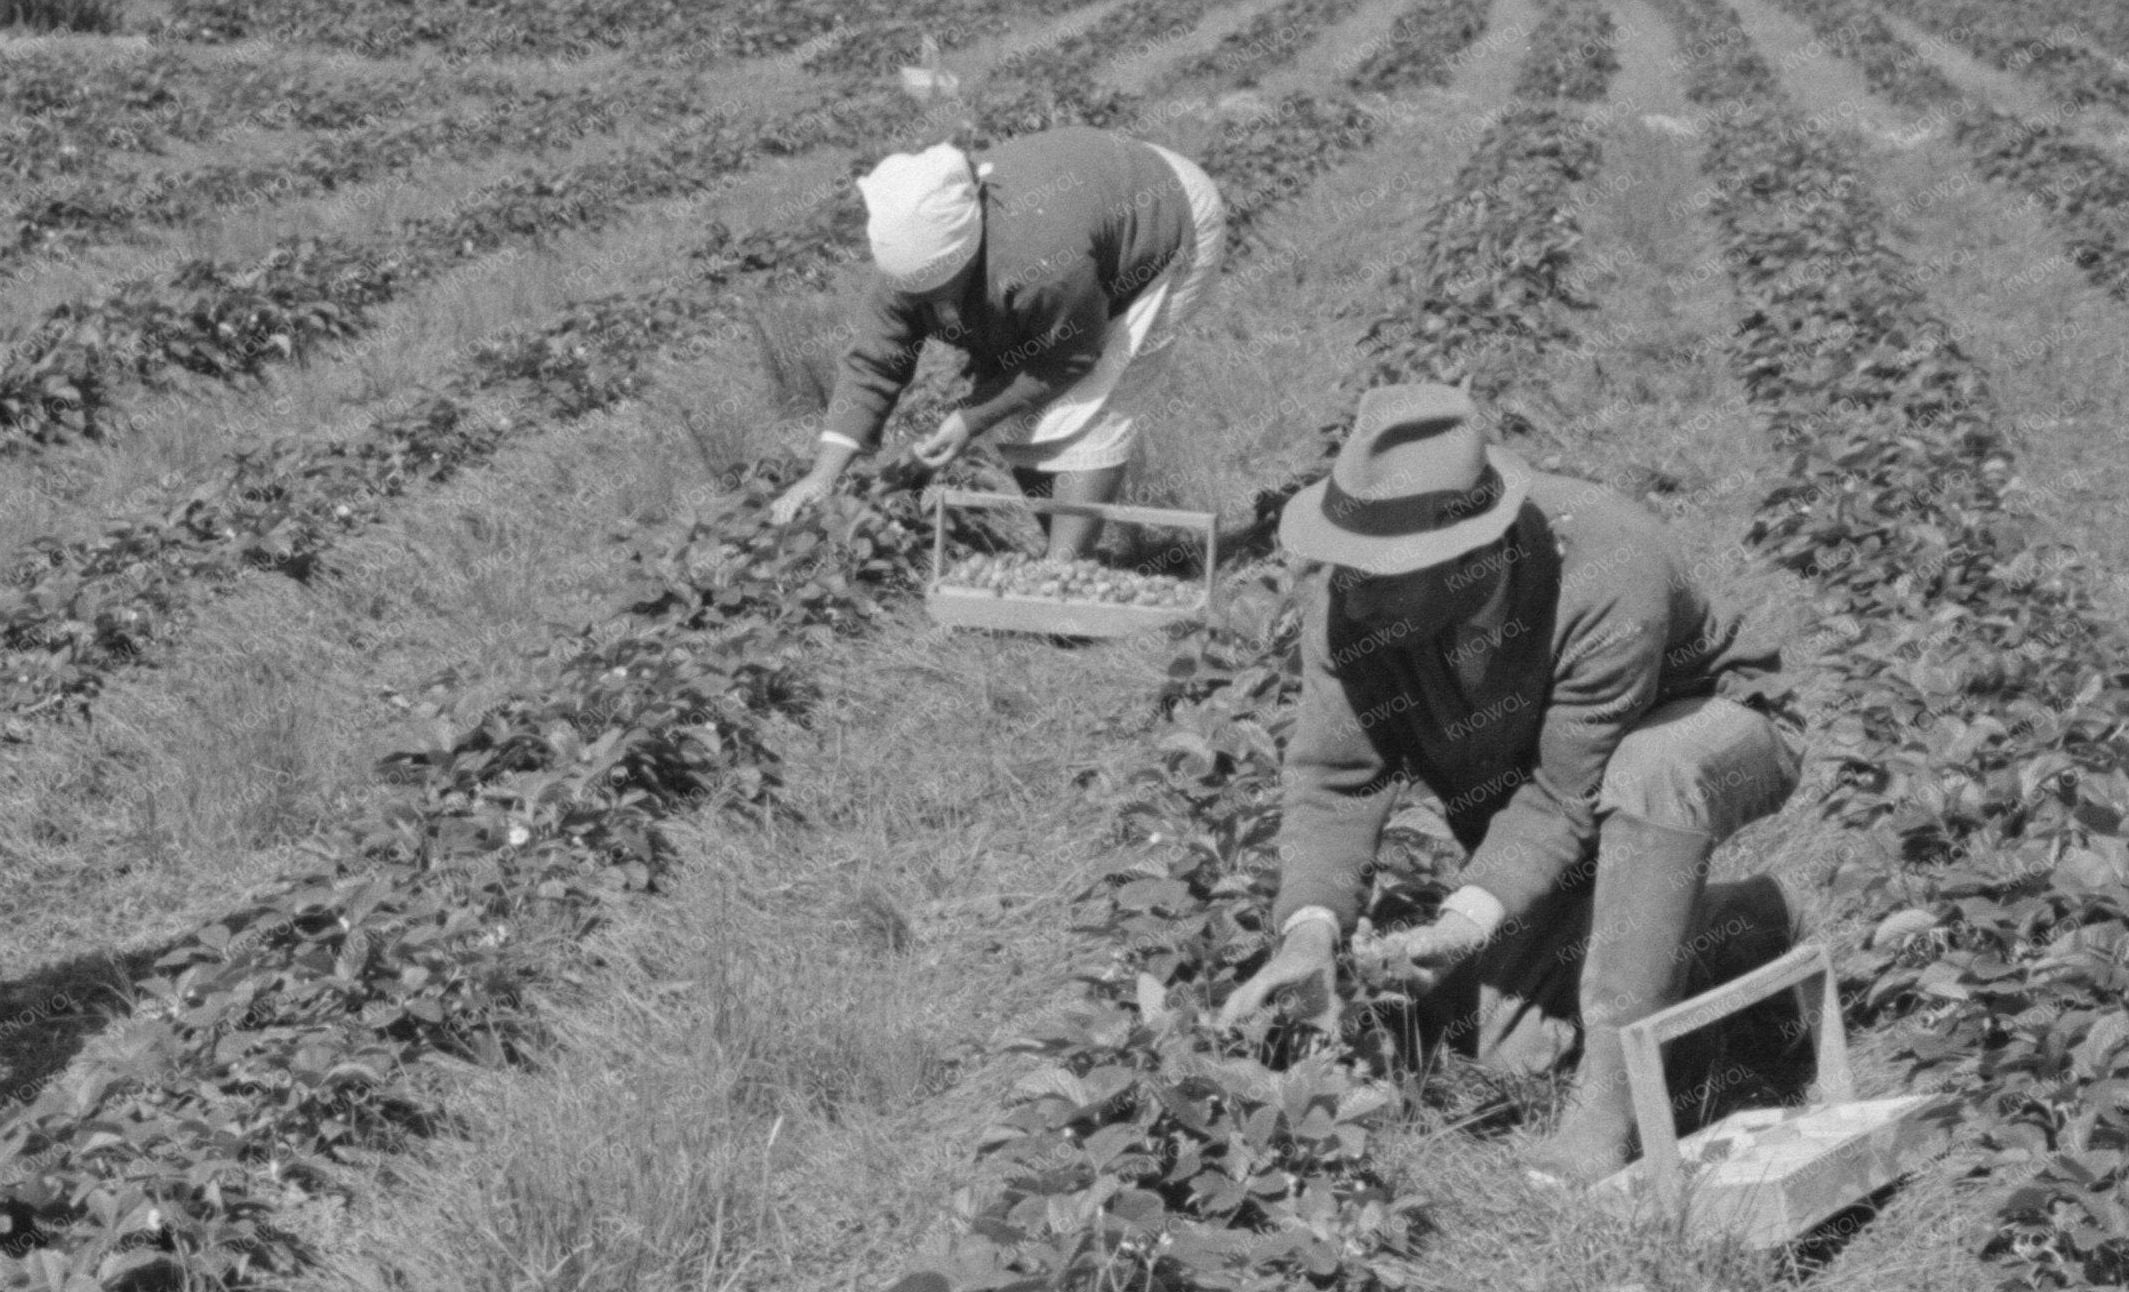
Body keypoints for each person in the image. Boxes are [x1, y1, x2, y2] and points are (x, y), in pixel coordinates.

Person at [1217, 381, 1802, 1183]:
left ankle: (1612, 1108)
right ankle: (1743, 922)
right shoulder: (1353, 602)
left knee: (1648, 772)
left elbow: (1568, 793)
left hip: (1704, 734)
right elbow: (1336, 777)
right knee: (1507, 1045)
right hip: (1548, 801)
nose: (1350, 591)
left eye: (1382, 574)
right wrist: (1310, 928)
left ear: (1470, 555)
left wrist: (1464, 921)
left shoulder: (1608, 564)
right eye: (1349, 564)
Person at [764, 123, 1229, 560]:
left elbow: (1070, 357)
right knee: (1018, 415)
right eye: (921, 296)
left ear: (973, 251)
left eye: (946, 288)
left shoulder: (1041, 261)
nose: (935, 302)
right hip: (1086, 217)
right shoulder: (906, 260)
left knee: (1090, 411)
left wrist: (969, 419)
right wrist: (822, 476)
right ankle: (1071, 561)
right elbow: (874, 362)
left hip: (1164, 220)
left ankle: (1066, 579)